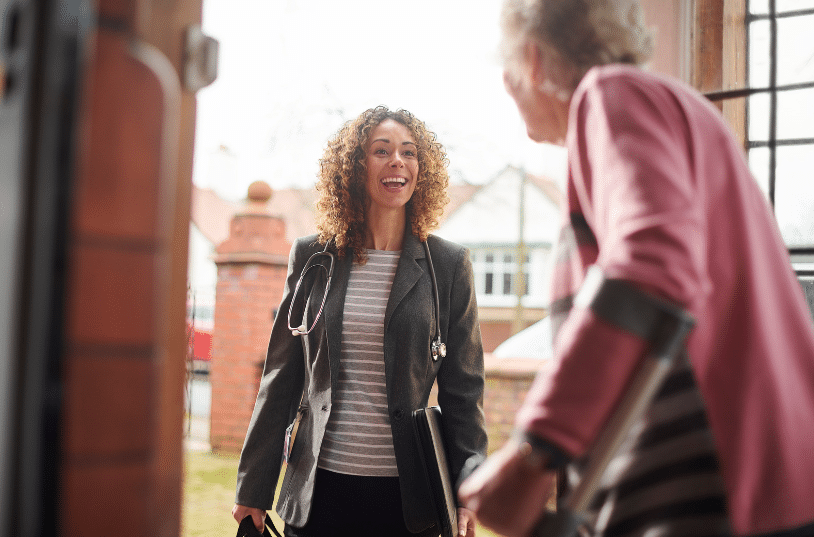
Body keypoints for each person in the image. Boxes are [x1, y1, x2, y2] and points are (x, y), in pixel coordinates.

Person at [459, 1, 814, 536]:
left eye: (506, 71)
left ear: (532, 60)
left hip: (715, 492)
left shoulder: (610, 94)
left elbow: (651, 261)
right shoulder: (672, 106)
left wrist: (536, 451)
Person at [232, 106, 486, 537]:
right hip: (318, 493)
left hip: (409, 501)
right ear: (354, 167)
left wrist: (467, 491)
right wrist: (253, 487)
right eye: (381, 151)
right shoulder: (313, 256)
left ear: (421, 169)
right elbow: (282, 375)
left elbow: (465, 391)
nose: (397, 162)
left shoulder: (448, 265)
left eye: (408, 152)